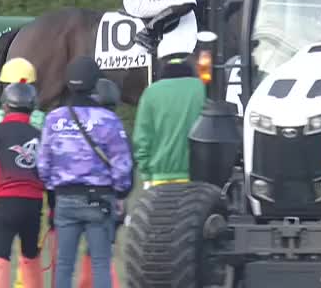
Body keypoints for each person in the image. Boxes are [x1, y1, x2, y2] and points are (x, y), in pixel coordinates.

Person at [38, 56, 134, 288]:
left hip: (65, 199)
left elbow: (43, 165)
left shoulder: (54, 119)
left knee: (64, 264)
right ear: (95, 82)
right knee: (101, 263)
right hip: (99, 199)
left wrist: (54, 188)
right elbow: (122, 165)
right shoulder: (108, 120)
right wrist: (120, 193)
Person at [0, 56, 51, 288]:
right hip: (34, 200)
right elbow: (48, 167)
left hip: (0, 198)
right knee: (30, 256)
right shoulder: (42, 123)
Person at [78, 78, 125, 288]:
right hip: (108, 197)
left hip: (77, 196)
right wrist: (122, 195)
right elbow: (125, 166)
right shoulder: (116, 127)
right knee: (102, 250)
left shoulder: (81, 125)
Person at [133, 58, 205, 189]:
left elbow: (142, 137)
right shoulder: (202, 88)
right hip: (197, 178)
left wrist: (146, 174)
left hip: (160, 179)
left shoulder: (151, 92)